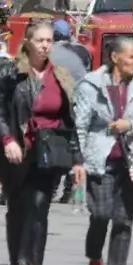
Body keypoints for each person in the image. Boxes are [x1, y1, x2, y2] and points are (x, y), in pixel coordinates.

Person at [0, 19, 85, 265]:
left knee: (40, 208)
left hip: (48, 154)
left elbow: (69, 121)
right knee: (17, 209)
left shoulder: (61, 77)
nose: (45, 46)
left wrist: (77, 159)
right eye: (40, 40)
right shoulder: (9, 73)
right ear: (28, 42)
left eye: (49, 41)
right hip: (16, 153)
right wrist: (8, 140)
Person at [76, 37, 133, 265]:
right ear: (115, 57)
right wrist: (77, 160)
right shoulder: (91, 84)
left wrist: (130, 125)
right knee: (100, 215)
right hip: (99, 159)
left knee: (124, 219)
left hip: (132, 159)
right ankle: (94, 261)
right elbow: (80, 124)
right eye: (130, 57)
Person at [47, 19, 92, 203]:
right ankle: (69, 188)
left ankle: (52, 188)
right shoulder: (83, 51)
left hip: (59, 104)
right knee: (77, 145)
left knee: (57, 144)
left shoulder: (49, 52)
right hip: (81, 104)